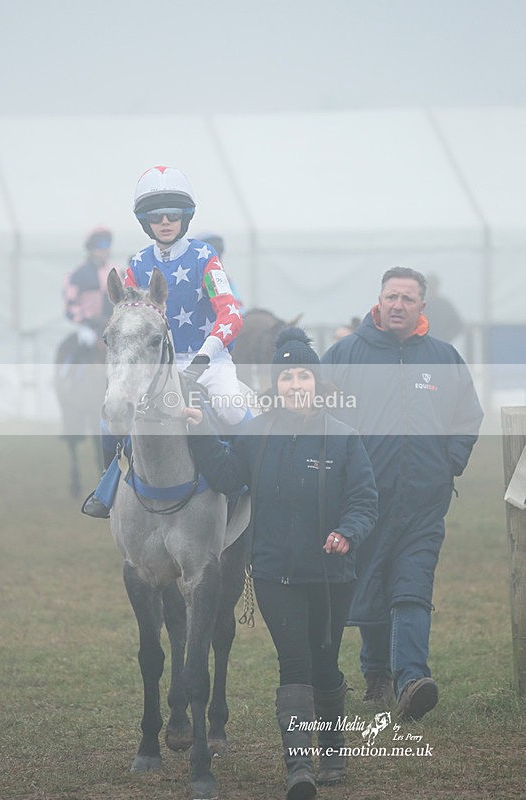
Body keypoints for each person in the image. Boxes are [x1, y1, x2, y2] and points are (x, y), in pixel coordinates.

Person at [185, 327, 378, 799]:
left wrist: (346, 533)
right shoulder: (255, 435)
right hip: (274, 574)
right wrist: (201, 431)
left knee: (325, 663)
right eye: (287, 377)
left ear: (317, 383)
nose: (295, 384)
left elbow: (365, 501)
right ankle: (300, 768)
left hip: (333, 574)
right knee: (293, 664)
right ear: (277, 386)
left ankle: (333, 747)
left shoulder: (345, 437)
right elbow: (229, 478)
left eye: (303, 376)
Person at [322, 267, 483, 721]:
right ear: (378, 300)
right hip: (363, 502)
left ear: (422, 307)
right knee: (371, 581)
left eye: (407, 299)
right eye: (391, 296)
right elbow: (320, 418)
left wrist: (449, 463)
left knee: (412, 586)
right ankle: (376, 673)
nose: (398, 305)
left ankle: (411, 680)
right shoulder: (345, 354)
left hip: (424, 503)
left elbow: (467, 416)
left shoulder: (443, 357)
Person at [82, 166, 246, 518]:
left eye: (174, 214)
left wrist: (205, 356)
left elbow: (231, 314)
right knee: (109, 416)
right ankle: (106, 485)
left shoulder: (205, 257)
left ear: (186, 218)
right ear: (146, 221)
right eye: (157, 215)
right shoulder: (138, 263)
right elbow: (124, 314)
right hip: (157, 364)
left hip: (209, 361)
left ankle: (256, 485)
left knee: (233, 408)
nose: (166, 221)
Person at [62, 226, 117, 355]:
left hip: (112, 325)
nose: (104, 249)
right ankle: (67, 373)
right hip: (89, 327)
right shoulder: (77, 274)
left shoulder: (117, 271)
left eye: (107, 244)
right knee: (86, 343)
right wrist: (88, 319)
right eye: (100, 245)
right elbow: (69, 306)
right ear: (91, 248)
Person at [424, 273, 464, 343]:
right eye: (430, 286)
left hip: (440, 346)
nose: (432, 288)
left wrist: (446, 338)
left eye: (433, 286)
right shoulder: (419, 305)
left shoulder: (445, 305)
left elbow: (458, 325)